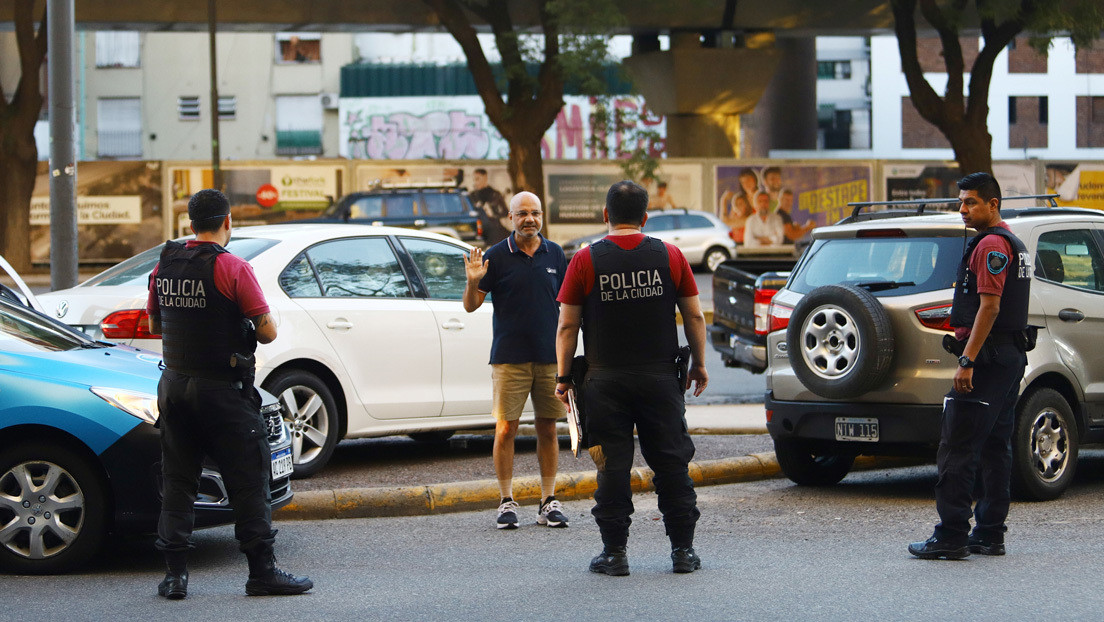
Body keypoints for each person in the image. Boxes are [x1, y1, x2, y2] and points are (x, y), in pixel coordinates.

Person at [147, 189, 313, 599]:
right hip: (222, 391)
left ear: (190, 224)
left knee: (178, 480)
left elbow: (155, 325)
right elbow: (267, 332)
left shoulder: (165, 263)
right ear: (228, 222)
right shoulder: (234, 268)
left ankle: (174, 577)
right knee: (248, 480)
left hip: (175, 388)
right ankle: (262, 573)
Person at [555, 180, 709, 576]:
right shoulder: (670, 255)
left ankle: (615, 554)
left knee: (612, 468)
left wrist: (564, 377)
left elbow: (567, 326)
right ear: (645, 217)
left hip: (604, 384)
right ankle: (683, 552)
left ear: (606, 215)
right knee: (672, 465)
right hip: (660, 381)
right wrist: (699, 364)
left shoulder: (585, 260)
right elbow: (693, 315)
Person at [908, 172, 1031, 560]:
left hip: (988, 360)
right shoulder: (1011, 240)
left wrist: (967, 360)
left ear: (993, 204)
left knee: (957, 447)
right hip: (1008, 357)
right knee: (996, 446)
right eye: (960, 202)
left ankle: (951, 536)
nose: (962, 209)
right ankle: (990, 533)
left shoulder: (991, 244)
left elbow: (990, 307)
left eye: (971, 202)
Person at [462, 191, 570, 530]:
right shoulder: (496, 256)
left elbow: (568, 304)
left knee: (548, 427)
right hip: (509, 358)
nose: (529, 219)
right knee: (506, 428)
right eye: (522, 213)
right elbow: (471, 306)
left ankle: (548, 501)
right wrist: (473, 282)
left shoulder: (555, 253)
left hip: (549, 357)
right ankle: (506, 501)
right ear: (510, 218)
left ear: (542, 216)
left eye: (535, 213)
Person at [469, 168, 510, 245]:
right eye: (474, 179)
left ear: (485, 178)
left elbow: (505, 212)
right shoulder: (472, 195)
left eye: (478, 179)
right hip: (478, 230)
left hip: (494, 230)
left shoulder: (494, 194)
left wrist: (492, 214)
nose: (475, 182)